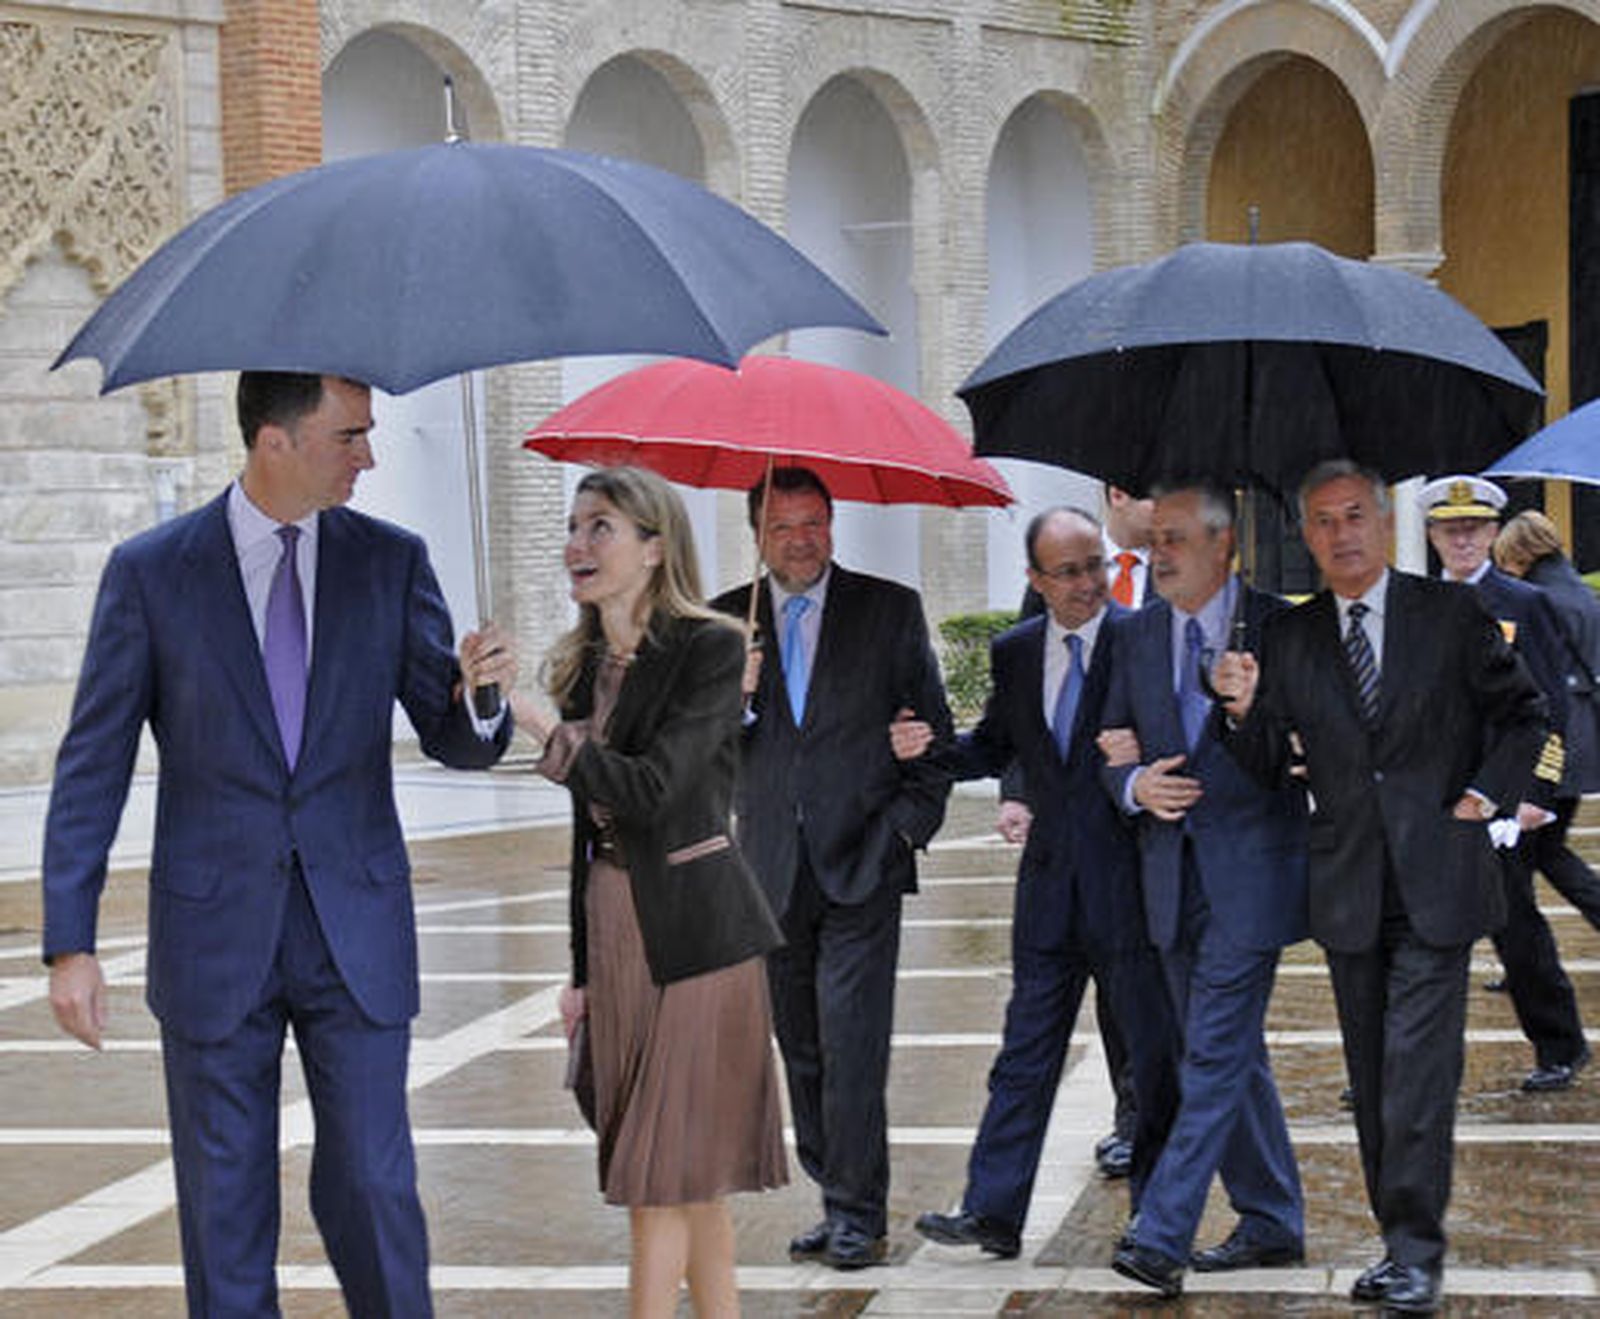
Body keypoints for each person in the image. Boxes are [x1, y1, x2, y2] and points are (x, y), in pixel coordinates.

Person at [42, 371, 518, 1316]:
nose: (369, 456)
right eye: (349, 436)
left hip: (357, 931)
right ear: (276, 440)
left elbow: (453, 738)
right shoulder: (151, 572)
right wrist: (71, 941)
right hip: (215, 937)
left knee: (376, 1189)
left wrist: (484, 693)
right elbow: (91, 760)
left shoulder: (391, 561)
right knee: (224, 1210)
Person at [1216, 459, 1549, 1314]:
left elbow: (1526, 713)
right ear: (1307, 535)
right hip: (1351, 883)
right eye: (1323, 520)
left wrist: (1486, 794)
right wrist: (1244, 712)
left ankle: (1415, 1251)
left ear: (1387, 521)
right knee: (1371, 1075)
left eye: (1356, 514)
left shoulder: (1450, 612)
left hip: (1440, 874)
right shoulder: (1290, 639)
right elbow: (1265, 771)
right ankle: (1397, 1239)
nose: (1342, 533)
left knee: (1418, 1072)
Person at [510, 465, 787, 1318]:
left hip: (697, 936)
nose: (577, 544)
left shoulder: (709, 648)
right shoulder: (583, 664)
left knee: (660, 1175)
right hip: (616, 928)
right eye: (575, 525)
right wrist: (581, 968)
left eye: (602, 527)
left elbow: (655, 791)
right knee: (687, 1180)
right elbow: (587, 835)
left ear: (654, 546)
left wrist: (545, 731)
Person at [890, 507, 1178, 1260]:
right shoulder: (1016, 651)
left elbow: (1178, 736)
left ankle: (1156, 1219)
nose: (1087, 584)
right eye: (1069, 571)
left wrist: (1149, 750)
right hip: (1048, 893)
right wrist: (928, 750)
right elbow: (994, 745)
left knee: (1150, 1061)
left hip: (1130, 889)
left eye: (1093, 566)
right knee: (1023, 1055)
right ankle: (992, 1209)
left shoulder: (1142, 637)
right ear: (1036, 580)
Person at [712, 466, 953, 1270]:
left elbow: (935, 740)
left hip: (863, 868)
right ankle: (833, 1190)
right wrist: (734, 700)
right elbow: (698, 759)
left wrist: (903, 834)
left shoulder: (889, 611)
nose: (801, 539)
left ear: (833, 522)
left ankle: (859, 1212)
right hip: (771, 875)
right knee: (803, 1049)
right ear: (758, 534)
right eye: (783, 527)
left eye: (813, 522)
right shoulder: (719, 625)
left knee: (854, 1045)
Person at [1098, 483, 1309, 1299]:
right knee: (1226, 1056)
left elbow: (1304, 742)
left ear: (1225, 546)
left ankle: (1162, 1229)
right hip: (1166, 876)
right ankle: (1271, 1218)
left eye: (1178, 538)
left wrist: (1252, 708)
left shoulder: (1283, 626)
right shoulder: (1137, 632)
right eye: (1157, 538)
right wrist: (1133, 784)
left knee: (1215, 1050)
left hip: (1250, 874)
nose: (1161, 553)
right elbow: (1107, 744)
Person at [1421, 475, 1587, 1092]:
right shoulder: (1412, 602)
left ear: (1493, 533)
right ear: (1433, 535)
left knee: (1516, 927)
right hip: (1429, 797)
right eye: (1449, 529)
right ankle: (1401, 1060)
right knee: (1413, 933)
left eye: (1473, 529)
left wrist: (1537, 796)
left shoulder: (1525, 603)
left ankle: (1560, 1045)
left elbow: (1551, 708)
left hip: (1500, 799)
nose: (1462, 540)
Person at [1013, 481, 1155, 1179]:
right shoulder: (1039, 611)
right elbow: (1025, 710)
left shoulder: (1166, 593)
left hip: (1139, 840)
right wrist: (1015, 792)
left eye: (1091, 565)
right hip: (1064, 852)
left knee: (1138, 1005)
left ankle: (1142, 1123)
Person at [1495, 508, 1600, 939]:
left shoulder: (1536, 600)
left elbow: (1528, 676)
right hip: (1581, 739)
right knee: (1547, 852)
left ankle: (1525, 958)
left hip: (1547, 743)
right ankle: (1524, 957)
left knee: (1519, 857)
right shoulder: (1581, 594)